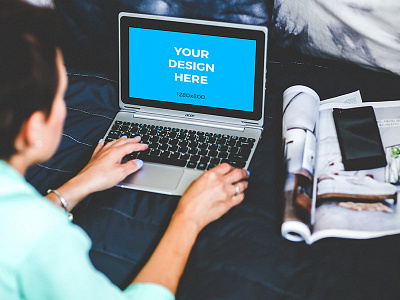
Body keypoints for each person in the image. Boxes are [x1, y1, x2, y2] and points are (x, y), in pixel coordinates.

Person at [0, 1, 249, 299]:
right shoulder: (42, 237)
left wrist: (79, 185)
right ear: (33, 129)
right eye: (60, 94)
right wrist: (189, 217)